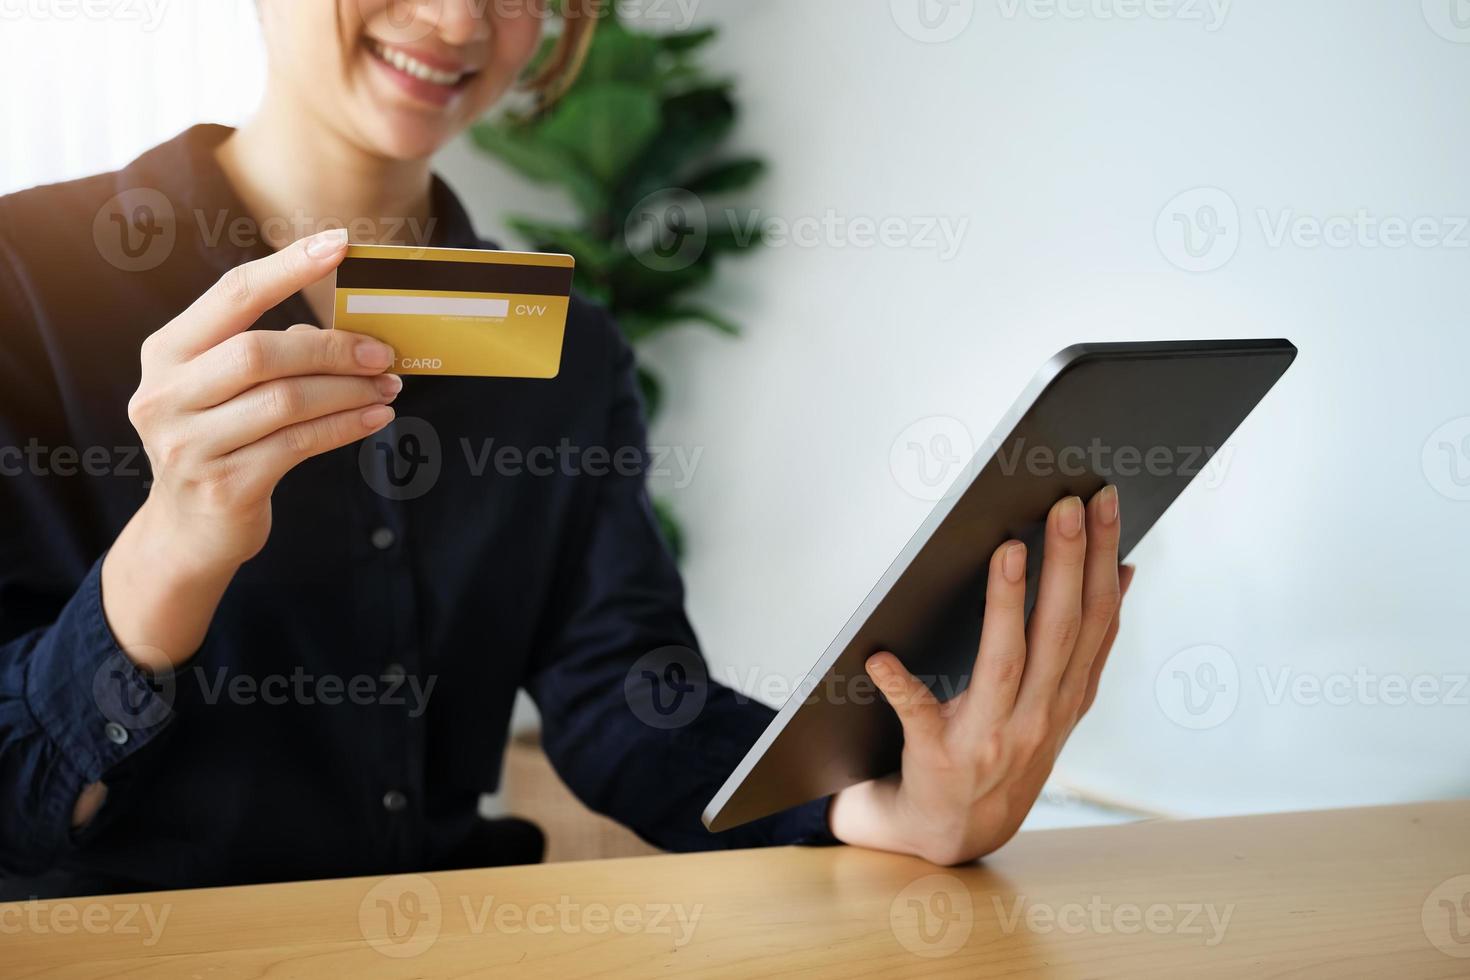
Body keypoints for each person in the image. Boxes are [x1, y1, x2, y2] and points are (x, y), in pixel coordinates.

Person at [0, 0, 1132, 898]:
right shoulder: (25, 279)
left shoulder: (567, 350)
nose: (456, 19)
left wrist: (874, 806)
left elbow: (625, 696)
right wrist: (173, 547)